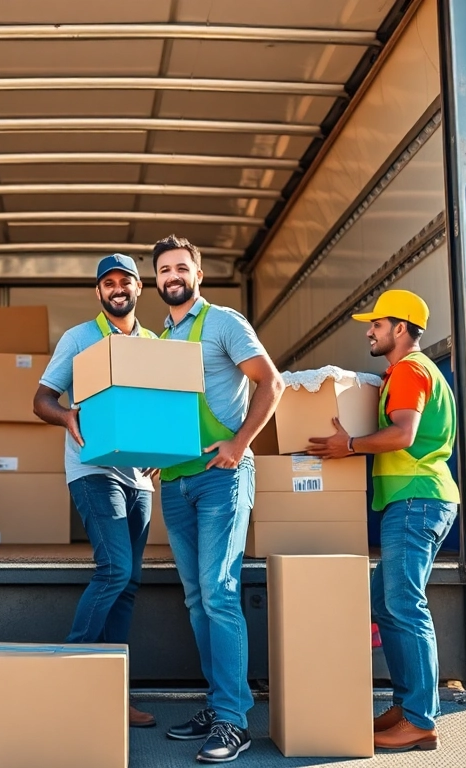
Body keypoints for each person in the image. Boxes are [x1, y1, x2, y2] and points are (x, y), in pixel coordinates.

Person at [306, 289, 459, 753]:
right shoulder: (407, 373)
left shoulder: (411, 370)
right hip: (414, 501)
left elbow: (403, 434)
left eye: (377, 323)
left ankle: (419, 719)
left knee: (405, 607)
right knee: (388, 605)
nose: (369, 330)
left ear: (401, 328)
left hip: (418, 501)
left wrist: (348, 446)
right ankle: (407, 705)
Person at [152, 236, 284, 764]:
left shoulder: (225, 322)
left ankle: (233, 721)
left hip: (221, 477)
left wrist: (238, 444)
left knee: (220, 591)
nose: (172, 276)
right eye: (163, 270)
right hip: (175, 480)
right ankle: (216, 705)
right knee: (194, 596)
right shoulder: (158, 338)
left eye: (181, 267)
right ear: (156, 281)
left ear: (198, 275)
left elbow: (270, 383)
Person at [33, 254, 160, 729]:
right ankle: (70, 676)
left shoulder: (153, 342)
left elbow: (161, 406)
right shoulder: (80, 338)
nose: (117, 288)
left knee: (127, 586)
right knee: (115, 569)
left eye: (125, 280)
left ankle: (112, 695)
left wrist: (162, 451)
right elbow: (42, 398)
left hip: (140, 480)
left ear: (138, 288)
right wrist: (67, 416)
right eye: (108, 282)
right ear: (99, 292)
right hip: (92, 470)